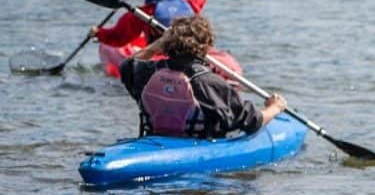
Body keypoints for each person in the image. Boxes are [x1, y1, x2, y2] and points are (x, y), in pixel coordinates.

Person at [118, 14, 286, 139]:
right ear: (207, 47)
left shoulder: (149, 72)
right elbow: (252, 122)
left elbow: (127, 66)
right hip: (197, 147)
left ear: (167, 43)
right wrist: (275, 108)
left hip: (155, 141)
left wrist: (157, 45)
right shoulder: (211, 83)